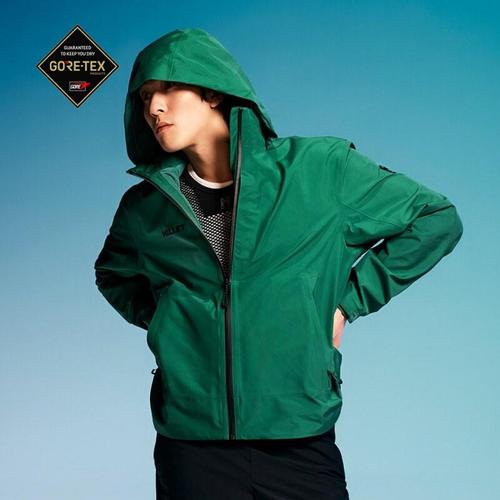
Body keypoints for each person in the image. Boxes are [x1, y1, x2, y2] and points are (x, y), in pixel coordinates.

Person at [94, 28, 463, 499]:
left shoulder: (319, 170)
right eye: (145, 97)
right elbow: (113, 275)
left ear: (212, 91)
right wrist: (174, 322)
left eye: (167, 88)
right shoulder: (144, 208)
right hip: (191, 445)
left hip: (298, 437)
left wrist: (346, 304)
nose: (154, 108)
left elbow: (435, 219)